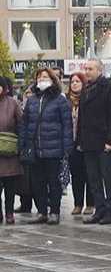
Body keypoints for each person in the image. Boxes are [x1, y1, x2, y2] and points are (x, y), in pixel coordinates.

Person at [19, 69, 72, 224]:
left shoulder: (60, 100)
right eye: (39, 77)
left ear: (52, 79)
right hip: (35, 148)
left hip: (54, 148)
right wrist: (23, 144)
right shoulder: (32, 100)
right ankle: (42, 211)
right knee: (37, 182)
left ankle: (54, 212)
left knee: (54, 182)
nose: (42, 79)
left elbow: (67, 125)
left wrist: (67, 147)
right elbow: (25, 123)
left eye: (45, 77)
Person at [77, 59, 111, 225]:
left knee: (108, 178)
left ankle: (109, 211)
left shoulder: (110, 87)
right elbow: (82, 117)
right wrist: (80, 140)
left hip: (104, 141)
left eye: (90, 69)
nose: (87, 71)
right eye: (86, 68)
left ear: (99, 70)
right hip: (88, 141)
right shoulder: (86, 88)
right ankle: (99, 209)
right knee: (93, 178)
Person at [66, 73, 91, 216]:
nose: (74, 84)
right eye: (72, 81)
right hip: (72, 143)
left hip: (86, 142)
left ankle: (90, 204)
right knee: (76, 175)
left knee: (89, 174)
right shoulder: (66, 101)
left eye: (77, 81)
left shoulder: (88, 98)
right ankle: (78, 203)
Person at [0, 77, 21, 224]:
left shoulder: (12, 103)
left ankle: (9, 212)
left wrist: (20, 146)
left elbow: (21, 125)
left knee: (10, 186)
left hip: (10, 151)